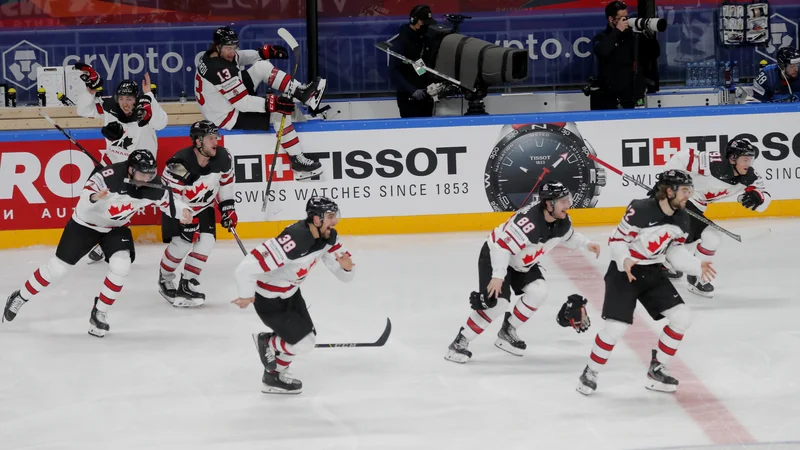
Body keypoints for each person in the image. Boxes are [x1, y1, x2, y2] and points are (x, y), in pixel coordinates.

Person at [3, 150, 192, 337]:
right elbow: (85, 199)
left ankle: (99, 312)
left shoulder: (152, 183)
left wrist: (183, 211)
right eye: (143, 174)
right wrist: (95, 197)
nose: (147, 178)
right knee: (57, 269)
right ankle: (20, 296)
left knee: (121, 265)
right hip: (85, 224)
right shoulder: (108, 177)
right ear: (130, 170)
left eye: (151, 173)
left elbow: (169, 201)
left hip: (115, 227)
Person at [576, 170, 716, 395]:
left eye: (690, 190)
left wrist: (695, 265)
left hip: (652, 272)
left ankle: (656, 369)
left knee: (682, 317)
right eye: (684, 190)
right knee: (616, 327)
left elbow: (675, 252)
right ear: (669, 191)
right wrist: (625, 259)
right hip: (624, 273)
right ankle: (590, 371)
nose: (687, 196)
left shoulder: (682, 218)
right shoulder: (640, 209)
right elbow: (617, 240)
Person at [444, 181, 601, 364]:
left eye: (567, 200)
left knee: (539, 290)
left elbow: (568, 236)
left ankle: (507, 331)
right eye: (563, 201)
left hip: (521, 262)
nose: (568, 205)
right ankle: (459, 342)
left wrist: (586, 243)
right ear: (549, 204)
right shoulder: (528, 224)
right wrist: (498, 276)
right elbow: (502, 248)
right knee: (497, 303)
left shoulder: (561, 221)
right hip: (496, 256)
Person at [231, 196, 355, 394]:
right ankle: (267, 342)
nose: (335, 221)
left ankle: (273, 377)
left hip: (291, 295)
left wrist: (347, 269)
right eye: (330, 216)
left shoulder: (327, 237)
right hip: (269, 300)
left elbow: (344, 273)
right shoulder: (294, 238)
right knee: (304, 343)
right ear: (316, 219)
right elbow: (245, 268)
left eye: (335, 216)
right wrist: (246, 294)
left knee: (303, 338)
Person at [195, 26, 325, 180]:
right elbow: (242, 103)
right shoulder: (219, 69)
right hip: (226, 116)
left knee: (261, 66)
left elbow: (239, 57)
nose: (232, 52)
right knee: (278, 113)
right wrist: (274, 104)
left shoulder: (212, 55)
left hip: (223, 102)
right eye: (228, 48)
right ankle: (297, 161)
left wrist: (260, 54)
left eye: (234, 47)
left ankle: (304, 95)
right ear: (218, 46)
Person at [75, 64, 168, 263]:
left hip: (140, 170)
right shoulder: (110, 107)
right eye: (122, 99)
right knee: (93, 200)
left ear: (137, 99)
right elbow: (83, 110)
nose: (125, 104)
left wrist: (149, 96)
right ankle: (99, 237)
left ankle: (105, 242)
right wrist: (90, 90)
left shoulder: (145, 111)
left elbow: (161, 123)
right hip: (111, 165)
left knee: (120, 208)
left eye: (130, 99)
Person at [662, 139, 771, 297]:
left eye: (751, 159)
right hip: (681, 201)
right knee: (712, 238)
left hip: (697, 207)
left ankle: (666, 264)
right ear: (732, 158)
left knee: (688, 240)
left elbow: (764, 198)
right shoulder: (710, 163)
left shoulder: (750, 176)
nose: (749, 163)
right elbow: (683, 157)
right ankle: (694, 275)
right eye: (745, 159)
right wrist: (665, 183)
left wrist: (758, 197)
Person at [157, 120, 236, 307]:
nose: (215, 142)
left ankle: (187, 283)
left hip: (203, 207)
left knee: (206, 241)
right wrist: (183, 214)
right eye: (210, 138)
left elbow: (226, 184)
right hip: (177, 208)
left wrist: (228, 208)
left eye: (215, 137)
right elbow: (167, 197)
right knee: (182, 244)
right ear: (198, 142)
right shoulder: (178, 164)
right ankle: (165, 278)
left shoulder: (224, 158)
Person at [389, 4, 438, 118]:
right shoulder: (400, 42)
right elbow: (394, 72)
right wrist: (412, 90)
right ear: (415, 21)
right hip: (409, 99)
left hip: (426, 96)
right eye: (424, 22)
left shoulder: (425, 39)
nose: (426, 26)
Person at [590, 1, 639, 110]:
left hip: (629, 95)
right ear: (611, 19)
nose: (625, 21)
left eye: (626, 17)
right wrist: (617, 31)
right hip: (608, 96)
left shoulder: (632, 36)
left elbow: (653, 54)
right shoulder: (601, 38)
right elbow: (602, 51)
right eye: (622, 19)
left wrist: (648, 35)